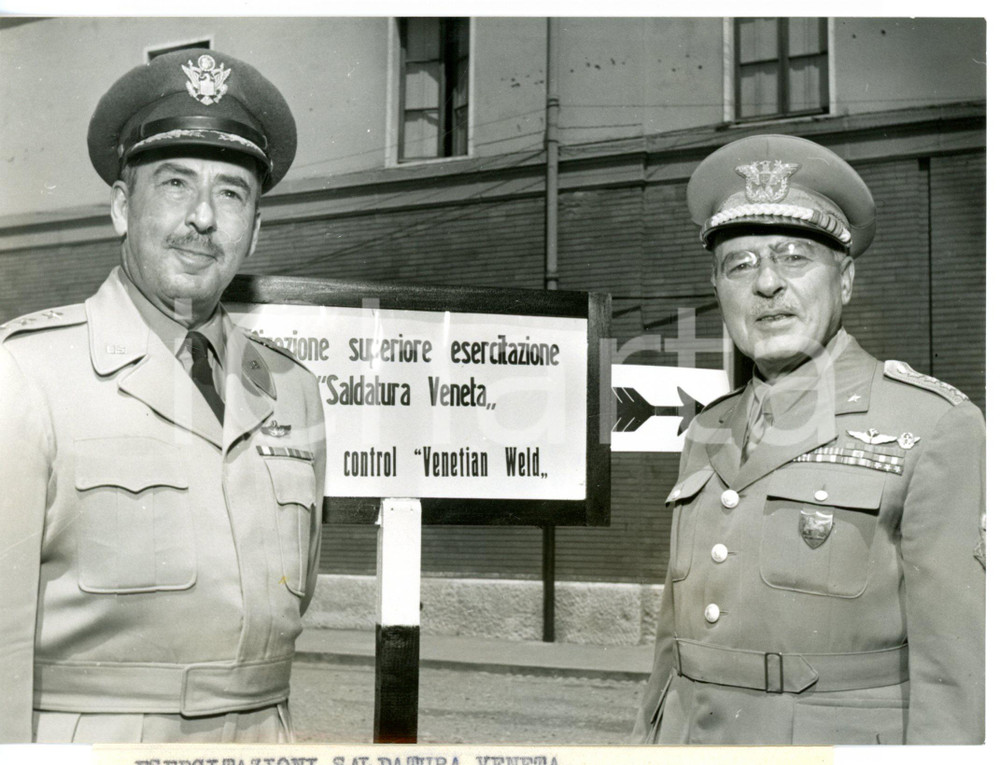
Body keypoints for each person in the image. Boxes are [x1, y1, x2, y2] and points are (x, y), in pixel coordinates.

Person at [0, 49, 326, 743]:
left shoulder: (293, 391)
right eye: (175, 184)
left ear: (256, 229)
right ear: (123, 208)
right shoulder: (27, 376)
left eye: (232, 192)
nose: (204, 217)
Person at [632, 134, 985, 745]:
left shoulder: (933, 426)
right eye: (739, 265)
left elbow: (957, 675)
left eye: (794, 258)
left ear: (844, 281)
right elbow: (674, 641)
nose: (766, 284)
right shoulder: (708, 428)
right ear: (719, 291)